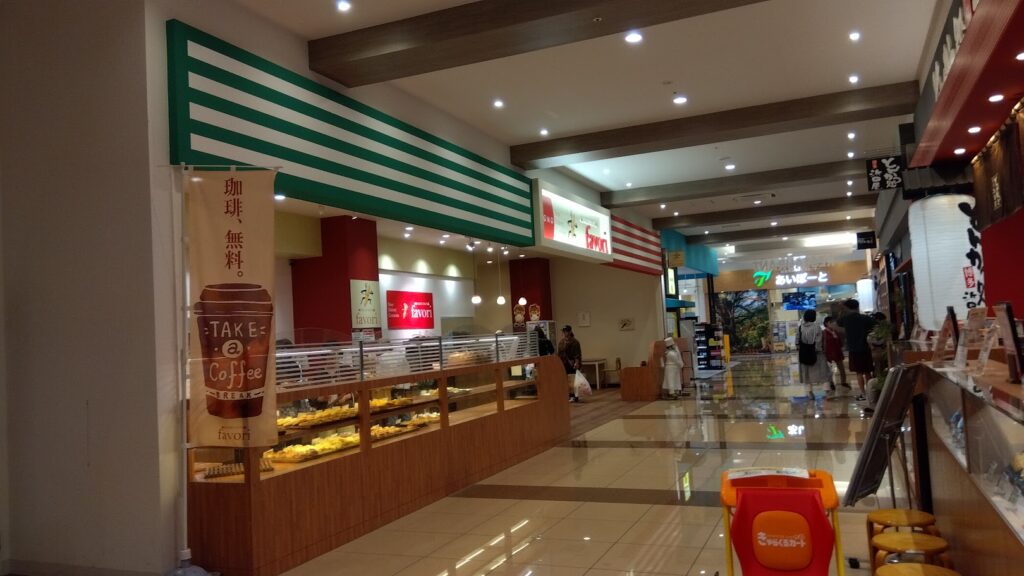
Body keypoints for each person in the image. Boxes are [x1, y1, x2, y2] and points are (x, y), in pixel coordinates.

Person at [838, 299, 877, 402]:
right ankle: (871, 393)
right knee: (868, 372)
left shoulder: (846, 319)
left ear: (847, 308)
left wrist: (841, 310)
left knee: (859, 373)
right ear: (857, 306)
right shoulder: (865, 318)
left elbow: (838, 322)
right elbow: (875, 325)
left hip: (853, 349)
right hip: (865, 347)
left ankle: (863, 394)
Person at [797, 310, 830, 393]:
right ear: (814, 317)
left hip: (804, 353)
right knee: (823, 371)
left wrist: (803, 350)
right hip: (816, 353)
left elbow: (797, 341)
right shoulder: (817, 327)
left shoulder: (800, 327)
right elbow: (818, 341)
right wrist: (817, 350)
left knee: (806, 372)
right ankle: (826, 389)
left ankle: (809, 392)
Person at [822, 316, 849, 395]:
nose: (834, 324)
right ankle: (831, 383)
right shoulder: (824, 333)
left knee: (842, 369)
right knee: (830, 371)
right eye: (832, 322)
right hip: (829, 354)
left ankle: (843, 382)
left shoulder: (835, 332)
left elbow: (840, 342)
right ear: (827, 323)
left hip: (837, 353)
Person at [557, 325, 582, 402]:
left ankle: (574, 396)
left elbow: (577, 354)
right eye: (564, 331)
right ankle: (568, 394)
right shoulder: (561, 342)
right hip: (563, 363)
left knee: (573, 380)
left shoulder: (575, 342)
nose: (565, 333)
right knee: (565, 380)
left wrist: (577, 363)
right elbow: (559, 354)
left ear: (570, 331)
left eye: (566, 331)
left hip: (572, 363)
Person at [868, 312, 893, 378]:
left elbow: (869, 339)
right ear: (879, 320)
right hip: (880, 349)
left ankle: (878, 378)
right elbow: (887, 339)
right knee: (880, 366)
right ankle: (879, 378)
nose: (885, 321)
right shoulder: (880, 329)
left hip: (875, 350)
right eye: (883, 320)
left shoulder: (872, 328)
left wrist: (871, 346)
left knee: (878, 366)